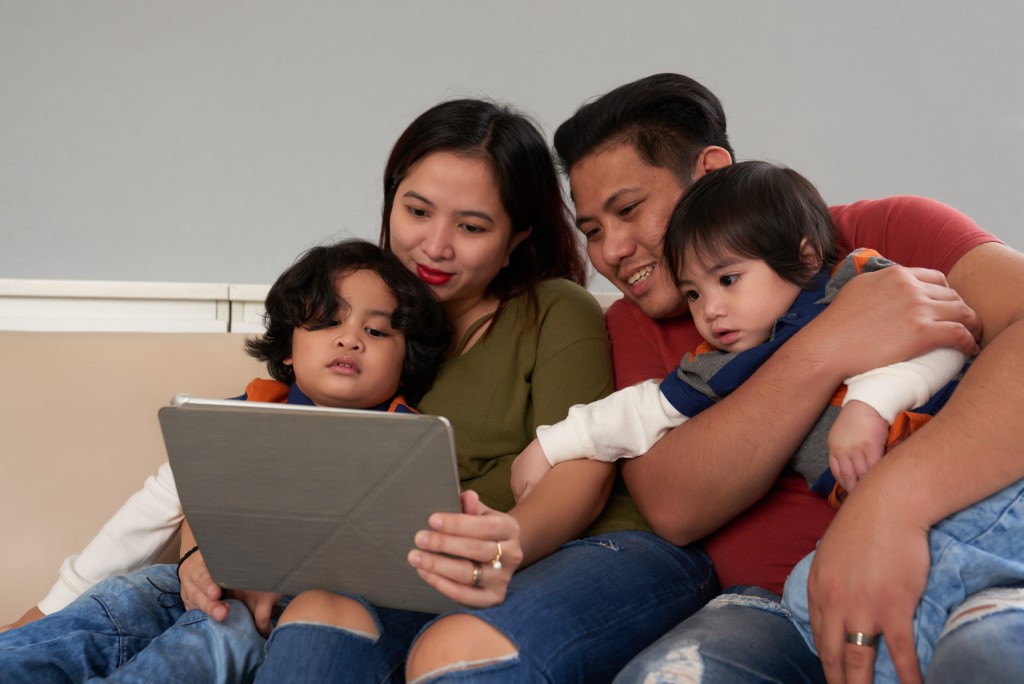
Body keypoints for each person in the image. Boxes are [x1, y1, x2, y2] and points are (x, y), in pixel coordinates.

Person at [196, 99, 715, 683]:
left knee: (457, 651)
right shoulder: (355, 329)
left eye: (471, 227)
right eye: (417, 211)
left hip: (590, 548)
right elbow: (247, 445)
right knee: (319, 611)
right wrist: (208, 554)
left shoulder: (553, 311)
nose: (435, 247)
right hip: (419, 569)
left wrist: (503, 545)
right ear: (392, 201)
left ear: (517, 235)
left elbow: (583, 471)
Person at [553, 73, 1024, 683]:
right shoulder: (629, 324)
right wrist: (829, 343)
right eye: (591, 230)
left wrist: (888, 506)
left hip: (966, 541)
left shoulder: (888, 232)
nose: (612, 250)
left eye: (628, 209)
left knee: (988, 654)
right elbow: (673, 504)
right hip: (770, 609)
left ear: (711, 171)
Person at [0, 239, 452, 681]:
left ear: (404, 362)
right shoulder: (241, 415)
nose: (350, 339)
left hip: (268, 617)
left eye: (376, 331)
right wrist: (49, 608)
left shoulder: (410, 441)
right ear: (290, 349)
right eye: (327, 322)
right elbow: (154, 508)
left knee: (218, 637)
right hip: (180, 587)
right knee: (123, 597)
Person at [512, 161, 966, 508]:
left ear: (804, 257)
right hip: (875, 517)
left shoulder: (854, 284)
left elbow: (949, 345)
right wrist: (551, 445)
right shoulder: (722, 361)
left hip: (967, 480)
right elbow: (643, 409)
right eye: (692, 293)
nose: (710, 310)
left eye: (728, 280)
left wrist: (870, 406)